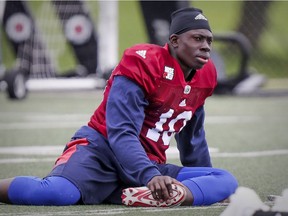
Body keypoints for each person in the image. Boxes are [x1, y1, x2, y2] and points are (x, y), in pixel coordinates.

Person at [0, 7, 238, 207]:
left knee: (224, 179)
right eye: (197, 38)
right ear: (174, 41)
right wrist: (150, 175)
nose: (206, 46)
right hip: (100, 153)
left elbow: (192, 138)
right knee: (56, 193)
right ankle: (149, 191)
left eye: (209, 40)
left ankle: (165, 196)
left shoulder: (206, 75)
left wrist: (202, 189)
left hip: (148, 163)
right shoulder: (144, 61)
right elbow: (121, 131)